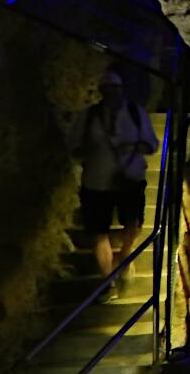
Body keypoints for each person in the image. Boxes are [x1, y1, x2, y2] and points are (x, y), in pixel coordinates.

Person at [67, 71, 159, 280]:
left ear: (121, 91)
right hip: (97, 182)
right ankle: (107, 279)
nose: (111, 95)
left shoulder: (135, 113)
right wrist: (88, 150)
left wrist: (135, 146)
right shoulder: (89, 117)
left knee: (133, 224)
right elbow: (74, 148)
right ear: (102, 93)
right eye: (107, 91)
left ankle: (125, 256)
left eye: (114, 90)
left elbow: (152, 144)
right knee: (99, 231)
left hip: (129, 179)